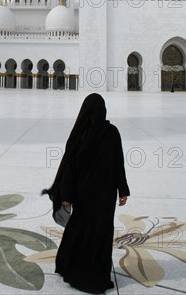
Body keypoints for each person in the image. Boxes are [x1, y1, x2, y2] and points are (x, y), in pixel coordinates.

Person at [42, 93, 130, 294]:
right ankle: (91, 274)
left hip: (93, 195)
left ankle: (81, 271)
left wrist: (123, 190)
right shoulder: (102, 133)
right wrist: (67, 196)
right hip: (97, 196)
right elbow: (71, 167)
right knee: (95, 231)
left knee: (89, 231)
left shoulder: (92, 133)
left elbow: (117, 161)